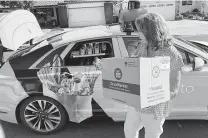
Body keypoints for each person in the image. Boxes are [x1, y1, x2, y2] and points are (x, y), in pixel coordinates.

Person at [124, 13, 184, 138]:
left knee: (151, 135)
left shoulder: (171, 54)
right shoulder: (143, 45)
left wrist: (152, 96)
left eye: (140, 31)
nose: (138, 34)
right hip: (136, 102)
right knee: (129, 131)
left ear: (151, 31)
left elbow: (173, 88)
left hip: (154, 108)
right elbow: (136, 67)